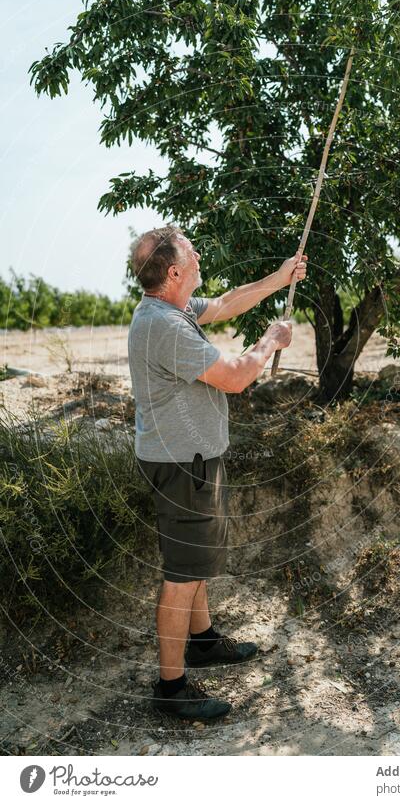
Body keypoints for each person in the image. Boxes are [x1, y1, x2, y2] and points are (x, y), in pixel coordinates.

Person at [127, 225, 307, 721]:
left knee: (198, 559)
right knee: (183, 575)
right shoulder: (164, 325)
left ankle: (202, 642)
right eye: (190, 252)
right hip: (182, 465)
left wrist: (279, 278)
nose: (200, 253)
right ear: (174, 272)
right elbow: (234, 377)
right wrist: (271, 340)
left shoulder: (171, 308)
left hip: (193, 459)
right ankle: (171, 687)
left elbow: (227, 303)